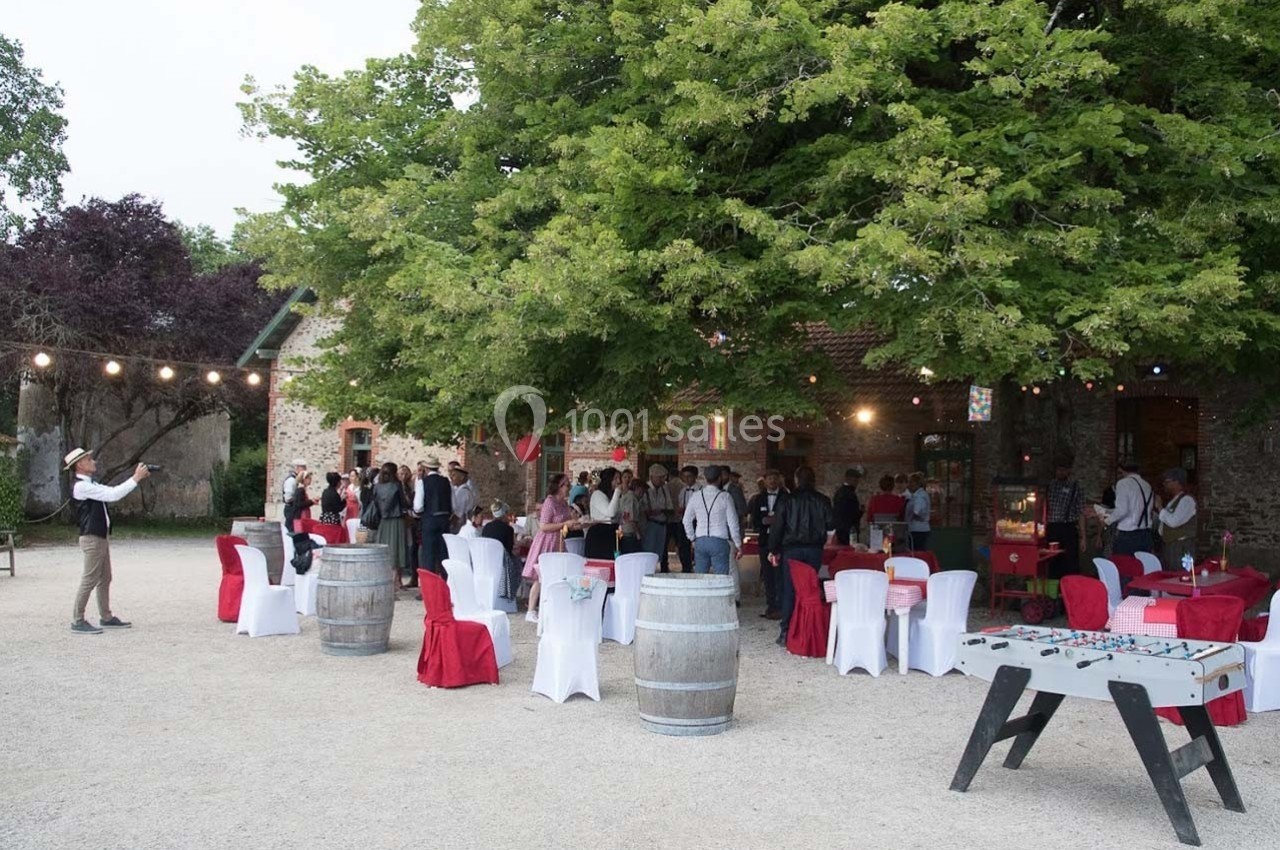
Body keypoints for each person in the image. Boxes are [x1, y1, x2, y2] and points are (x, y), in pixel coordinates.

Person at [65, 448, 150, 634]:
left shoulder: (90, 484)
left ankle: (106, 616)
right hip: (92, 538)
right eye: (89, 459)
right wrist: (135, 478)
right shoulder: (81, 486)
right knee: (90, 579)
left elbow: (111, 492)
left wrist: (134, 479)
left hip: (99, 536)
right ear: (80, 464)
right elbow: (113, 495)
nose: (93, 461)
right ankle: (77, 620)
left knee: (105, 578)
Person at [767, 465, 832, 646]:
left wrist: (773, 549)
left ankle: (786, 631)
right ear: (813, 480)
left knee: (789, 589)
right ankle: (809, 629)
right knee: (810, 589)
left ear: (796, 480)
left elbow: (777, 527)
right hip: (814, 550)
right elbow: (831, 523)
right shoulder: (823, 500)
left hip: (791, 550)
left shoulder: (787, 500)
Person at [522, 473, 581, 622]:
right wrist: (564, 525)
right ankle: (531, 610)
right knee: (541, 576)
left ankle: (555, 607)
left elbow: (568, 523)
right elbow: (543, 526)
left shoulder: (564, 504)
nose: (569, 487)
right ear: (559, 487)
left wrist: (579, 524)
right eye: (567, 485)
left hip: (559, 541)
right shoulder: (549, 502)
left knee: (561, 573)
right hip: (547, 541)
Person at [682, 464, 741, 575]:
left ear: (704, 478)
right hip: (719, 540)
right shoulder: (725, 497)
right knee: (721, 578)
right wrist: (738, 544)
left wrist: (692, 538)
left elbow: (686, 520)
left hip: (700, 539)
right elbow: (733, 523)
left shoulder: (696, 496)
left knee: (700, 577)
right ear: (720, 478)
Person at [748, 469, 786, 619]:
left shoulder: (786, 497)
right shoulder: (758, 498)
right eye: (769, 479)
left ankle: (781, 606)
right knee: (767, 574)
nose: (772, 481)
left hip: (781, 541)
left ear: (779, 480)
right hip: (764, 541)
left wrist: (777, 522)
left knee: (780, 574)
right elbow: (754, 519)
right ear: (764, 481)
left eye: (774, 478)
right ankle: (771, 606)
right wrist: (763, 522)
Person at [371, 462, 411, 589]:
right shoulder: (396, 485)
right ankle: (394, 581)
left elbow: (376, 504)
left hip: (383, 520)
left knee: (385, 549)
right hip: (396, 520)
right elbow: (404, 503)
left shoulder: (377, 487)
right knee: (396, 550)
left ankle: (393, 580)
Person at [1044, 457, 1086, 579]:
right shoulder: (1049, 486)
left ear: (1069, 471)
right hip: (1052, 528)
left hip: (1068, 527)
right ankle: (1054, 590)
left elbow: (1081, 512)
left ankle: (1071, 590)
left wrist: (1083, 537)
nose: (1061, 472)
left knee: (1071, 561)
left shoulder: (1076, 487)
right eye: (1059, 470)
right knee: (1053, 560)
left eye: (1064, 470)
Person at [414, 457, 452, 577]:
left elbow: (418, 507)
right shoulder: (446, 482)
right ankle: (445, 585)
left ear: (425, 468)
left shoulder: (422, 483)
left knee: (429, 555)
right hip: (444, 520)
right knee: (443, 554)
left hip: (429, 519)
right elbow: (453, 504)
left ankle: (430, 589)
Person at [1107, 460, 1155, 556]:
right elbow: (1135, 508)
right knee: (1142, 567)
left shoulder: (1123, 483)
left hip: (1128, 535)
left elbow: (1122, 510)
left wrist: (1107, 520)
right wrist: (1107, 511)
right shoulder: (1147, 485)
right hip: (1145, 535)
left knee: (1125, 567)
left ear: (1122, 470)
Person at [482, 500, 523, 603]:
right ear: (504, 514)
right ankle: (510, 596)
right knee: (519, 565)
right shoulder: (508, 529)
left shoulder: (486, 528)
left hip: (487, 562)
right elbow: (509, 550)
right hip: (503, 564)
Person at [1156, 468, 1197, 570]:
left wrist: (1160, 507)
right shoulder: (1174, 501)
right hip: (1170, 545)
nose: (1164, 485)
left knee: (1180, 574)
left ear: (1177, 482)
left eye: (1167, 482)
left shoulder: (1187, 501)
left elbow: (1174, 522)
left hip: (1181, 547)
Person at [642, 464, 675, 571]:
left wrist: (661, 511)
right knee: (648, 552)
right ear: (652, 476)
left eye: (664, 477)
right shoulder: (645, 489)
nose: (663, 480)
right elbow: (643, 510)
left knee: (659, 552)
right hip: (649, 525)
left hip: (662, 524)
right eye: (660, 477)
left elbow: (670, 508)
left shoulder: (664, 489)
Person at [585, 467, 622, 559]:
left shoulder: (610, 496)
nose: (618, 481)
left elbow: (615, 515)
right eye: (615, 479)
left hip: (611, 532)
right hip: (599, 533)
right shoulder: (598, 494)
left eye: (619, 478)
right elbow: (610, 512)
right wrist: (617, 491)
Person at [673, 465, 700, 572]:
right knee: (683, 545)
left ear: (695, 476)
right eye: (685, 477)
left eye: (689, 476)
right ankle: (686, 567)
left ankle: (698, 566)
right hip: (684, 521)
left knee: (697, 545)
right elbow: (680, 505)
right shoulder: (683, 491)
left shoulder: (700, 490)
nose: (687, 479)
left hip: (697, 521)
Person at [831, 466, 864, 546]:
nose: (857, 482)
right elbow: (852, 514)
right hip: (849, 530)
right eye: (855, 479)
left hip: (839, 529)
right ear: (849, 479)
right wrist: (861, 512)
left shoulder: (839, 492)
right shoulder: (850, 494)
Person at [618, 477, 648, 555]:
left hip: (628, 534)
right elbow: (631, 518)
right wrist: (638, 534)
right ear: (638, 489)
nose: (643, 494)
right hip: (630, 534)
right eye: (642, 491)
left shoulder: (628, 497)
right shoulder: (632, 499)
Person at [903, 471, 931, 551]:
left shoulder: (919, 496)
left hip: (917, 529)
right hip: (916, 529)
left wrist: (911, 517)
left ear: (917, 483)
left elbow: (917, 511)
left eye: (911, 482)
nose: (908, 485)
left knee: (917, 551)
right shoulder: (915, 495)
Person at [449, 467, 476, 534]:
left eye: (454, 475)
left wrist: (449, 525)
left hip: (459, 526)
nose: (451, 477)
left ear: (461, 477)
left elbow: (458, 514)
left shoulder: (462, 492)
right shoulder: (461, 490)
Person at [281, 458, 306, 529]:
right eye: (303, 467)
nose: (305, 470)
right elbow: (288, 498)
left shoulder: (295, 480)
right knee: (291, 528)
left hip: (294, 508)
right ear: (297, 468)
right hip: (291, 508)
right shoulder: (291, 480)